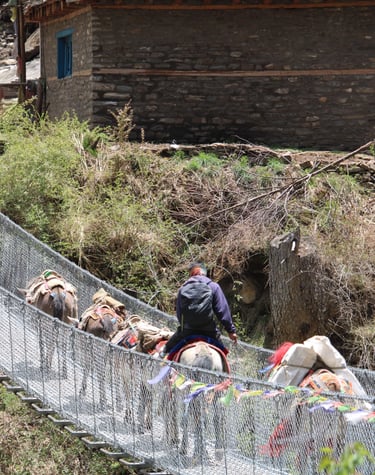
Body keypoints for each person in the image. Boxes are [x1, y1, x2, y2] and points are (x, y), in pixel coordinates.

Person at [161, 262, 237, 357]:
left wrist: (184, 326)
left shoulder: (183, 288)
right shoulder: (213, 286)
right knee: (223, 355)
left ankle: (163, 354)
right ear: (204, 273)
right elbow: (222, 310)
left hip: (188, 330)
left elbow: (179, 313)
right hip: (209, 330)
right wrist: (231, 331)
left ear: (191, 274)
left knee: (169, 350)